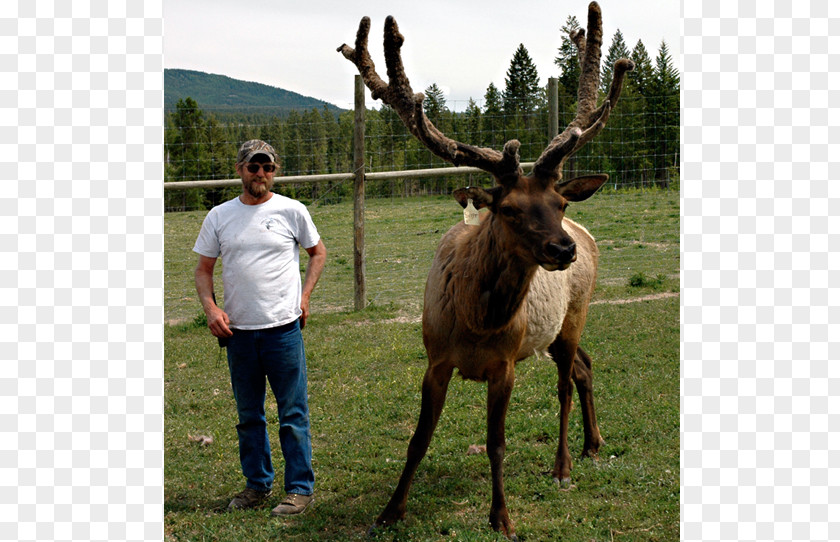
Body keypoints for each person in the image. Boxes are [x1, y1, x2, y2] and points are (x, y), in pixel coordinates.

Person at [193, 139, 327, 516]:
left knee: (293, 413)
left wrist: (305, 296)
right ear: (240, 170)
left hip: (283, 330)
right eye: (253, 167)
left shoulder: (292, 211)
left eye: (268, 167)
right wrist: (211, 308)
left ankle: (300, 488)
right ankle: (257, 484)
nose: (261, 174)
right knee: (249, 415)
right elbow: (203, 270)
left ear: (275, 171)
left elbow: (318, 252)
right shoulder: (219, 216)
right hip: (238, 334)